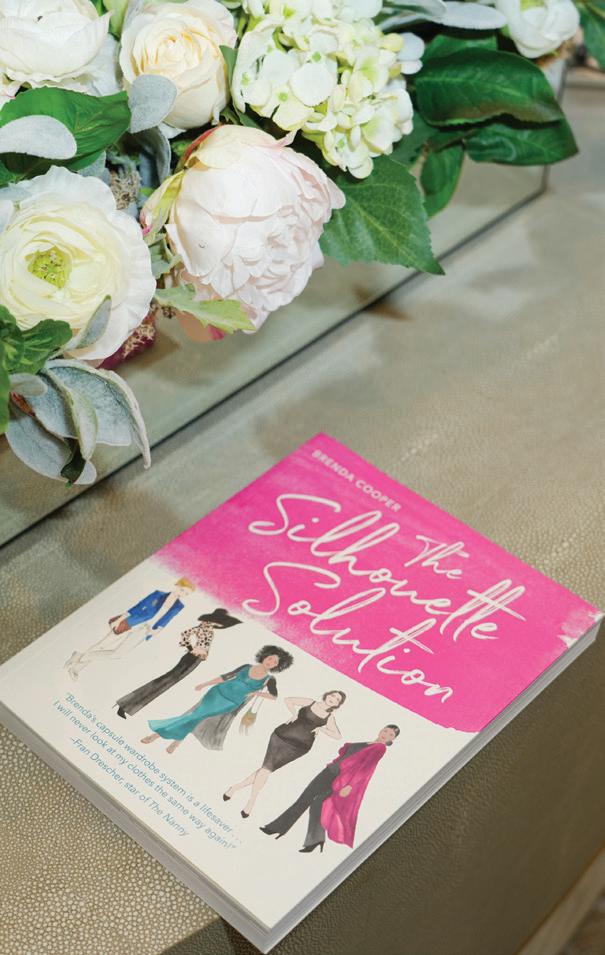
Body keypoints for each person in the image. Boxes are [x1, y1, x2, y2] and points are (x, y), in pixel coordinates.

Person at [260, 724, 400, 853]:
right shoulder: (368, 743)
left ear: (392, 740)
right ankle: (281, 829)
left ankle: (312, 839)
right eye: (386, 730)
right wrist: (333, 764)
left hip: (341, 780)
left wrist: (350, 785)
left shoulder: (380, 748)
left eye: (391, 735)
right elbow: (345, 756)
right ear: (381, 730)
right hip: (329, 772)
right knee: (305, 799)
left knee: (317, 803)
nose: (386, 734)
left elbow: (366, 769)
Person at [141, 645, 294, 756]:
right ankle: (173, 741)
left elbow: (274, 696)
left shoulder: (269, 679)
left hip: (229, 703)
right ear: (265, 656)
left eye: (275, 662)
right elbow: (225, 677)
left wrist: (256, 692)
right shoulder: (247, 666)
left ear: (277, 666)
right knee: (193, 716)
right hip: (216, 693)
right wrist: (205, 684)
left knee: (195, 717)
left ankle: (160, 735)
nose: (270, 662)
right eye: (270, 658)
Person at [223, 691, 345, 818]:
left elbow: (338, 735)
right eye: (333, 695)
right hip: (281, 737)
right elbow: (288, 699)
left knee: (265, 770)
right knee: (266, 770)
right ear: (327, 695)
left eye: (337, 699)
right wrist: (294, 713)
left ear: (337, 705)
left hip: (299, 748)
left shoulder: (329, 718)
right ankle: (251, 801)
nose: (333, 699)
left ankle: (235, 788)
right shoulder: (310, 702)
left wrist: (321, 729)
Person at [114, 608, 241, 719]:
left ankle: (127, 706)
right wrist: (192, 649)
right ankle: (125, 705)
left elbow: (204, 644)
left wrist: (203, 654)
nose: (220, 623)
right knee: (165, 681)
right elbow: (185, 635)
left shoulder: (210, 629)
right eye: (220, 620)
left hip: (196, 660)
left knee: (167, 683)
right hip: (191, 658)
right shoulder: (202, 628)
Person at [64, 578, 195, 680]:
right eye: (182, 590)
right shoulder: (158, 594)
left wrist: (155, 631)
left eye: (186, 594)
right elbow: (137, 607)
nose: (182, 594)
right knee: (102, 645)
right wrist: (119, 620)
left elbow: (166, 620)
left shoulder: (179, 606)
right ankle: (76, 668)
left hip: (145, 631)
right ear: (177, 585)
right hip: (132, 622)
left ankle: (78, 656)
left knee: (118, 654)